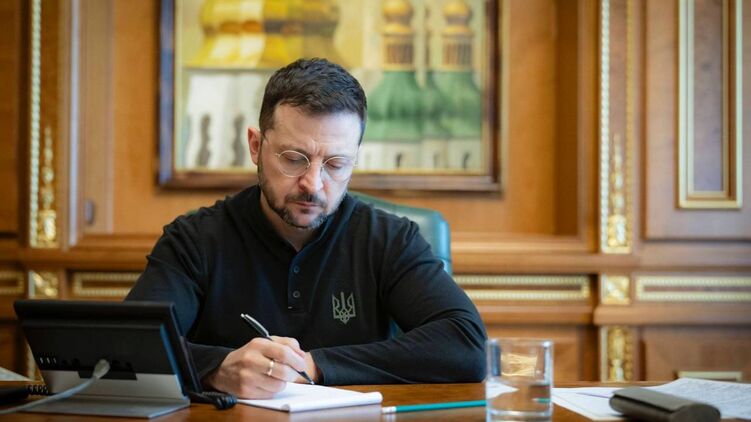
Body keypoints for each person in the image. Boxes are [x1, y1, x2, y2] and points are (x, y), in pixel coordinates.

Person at [126, 58, 486, 399]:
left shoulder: (389, 239)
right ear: (256, 146)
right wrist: (216, 369)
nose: (313, 183)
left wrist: (314, 366)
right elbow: (129, 347)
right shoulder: (194, 240)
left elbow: (466, 345)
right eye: (294, 159)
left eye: (336, 164)